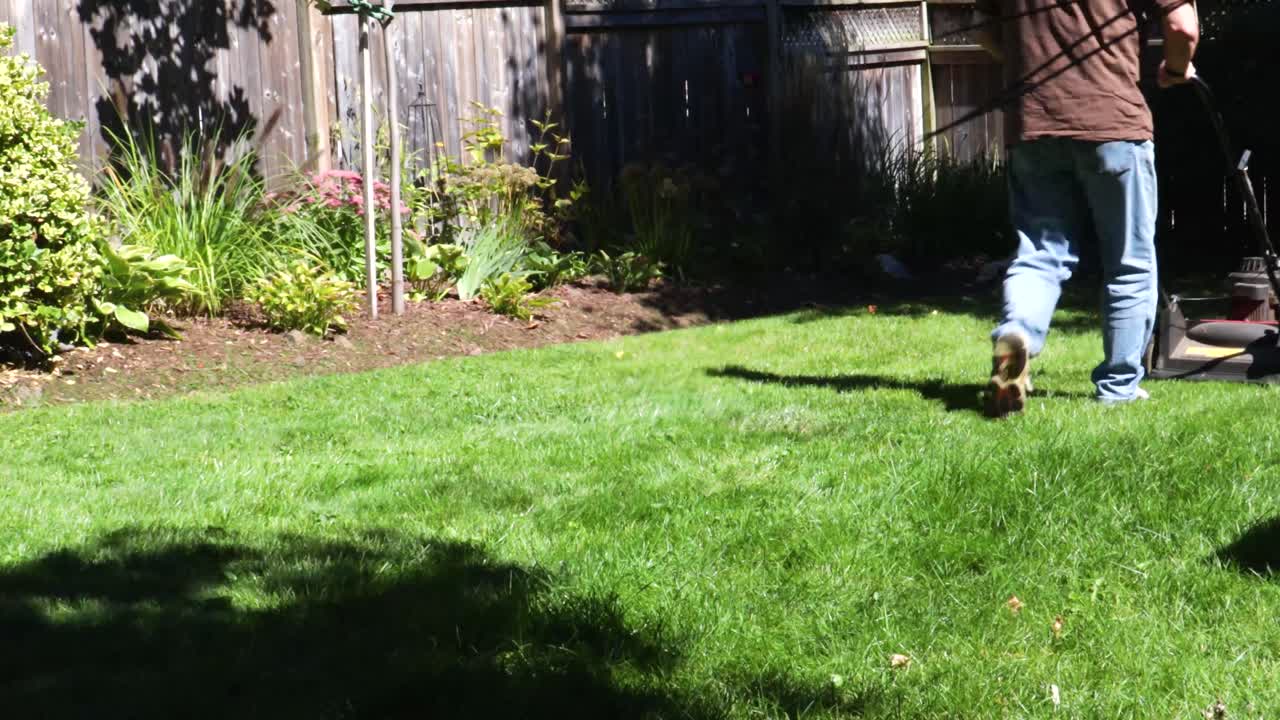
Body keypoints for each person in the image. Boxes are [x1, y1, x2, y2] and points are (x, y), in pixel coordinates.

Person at [974, 0, 1201, 417]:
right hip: (1113, 122)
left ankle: (1015, 335)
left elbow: (987, 32)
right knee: (1129, 262)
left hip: (1034, 123)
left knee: (1040, 254)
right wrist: (1174, 69)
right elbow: (1182, 28)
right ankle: (1118, 387)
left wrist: (1039, 68)